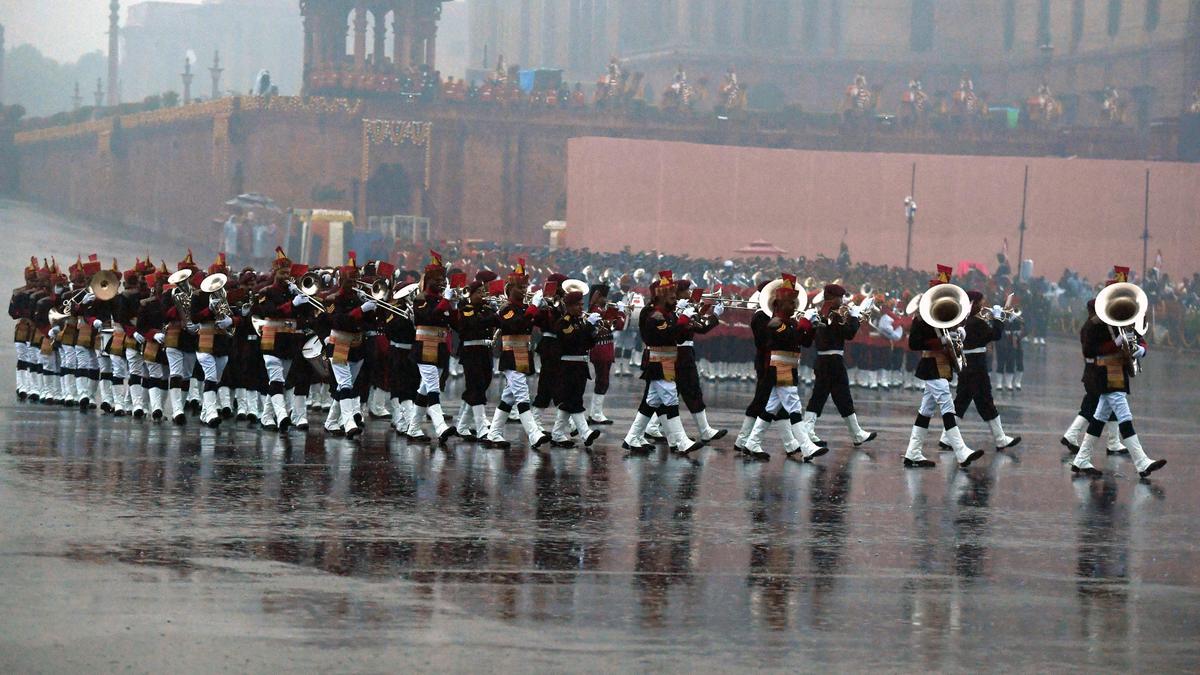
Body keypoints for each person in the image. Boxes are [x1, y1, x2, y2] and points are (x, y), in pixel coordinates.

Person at [1071, 267, 1166, 479]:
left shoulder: (1124, 318)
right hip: (1104, 374)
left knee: (1099, 418)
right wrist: (1114, 343)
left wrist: (1140, 350)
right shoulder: (1095, 324)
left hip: (1118, 372)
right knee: (1124, 417)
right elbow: (1088, 350)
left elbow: (1139, 338)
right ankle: (1142, 462)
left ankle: (1081, 459)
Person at [902, 266, 983, 469]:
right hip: (930, 365)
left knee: (926, 410)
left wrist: (957, 335)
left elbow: (950, 332)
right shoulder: (921, 317)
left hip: (942, 365)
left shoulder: (944, 315)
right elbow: (913, 344)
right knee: (947, 405)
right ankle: (961, 451)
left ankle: (912, 453)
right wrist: (940, 342)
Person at [741, 275, 827, 462]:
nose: (795, 306)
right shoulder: (775, 322)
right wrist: (803, 323)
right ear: (778, 304)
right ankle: (806, 446)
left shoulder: (790, 321)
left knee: (770, 408)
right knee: (794, 407)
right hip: (780, 368)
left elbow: (804, 341)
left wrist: (811, 327)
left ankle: (752, 442)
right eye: (791, 303)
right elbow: (790, 337)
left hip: (788, 366)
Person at [622, 271, 703, 455]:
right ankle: (681, 441)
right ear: (660, 296)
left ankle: (632, 437)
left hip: (667, 360)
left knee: (651, 402)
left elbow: (678, 336)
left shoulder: (668, 313)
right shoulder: (655, 314)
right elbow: (666, 334)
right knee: (671, 399)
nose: (675, 298)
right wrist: (682, 319)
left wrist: (688, 321)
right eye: (671, 295)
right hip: (659, 361)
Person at [938, 290, 1021, 451]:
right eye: (981, 303)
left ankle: (946, 437)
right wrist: (997, 317)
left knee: (961, 402)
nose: (984, 306)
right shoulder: (975, 322)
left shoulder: (963, 321)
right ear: (973, 304)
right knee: (985, 400)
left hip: (967, 364)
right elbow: (995, 335)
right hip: (976, 366)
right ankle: (1000, 438)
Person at [485, 259, 549, 449]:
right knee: (522, 395)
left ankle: (494, 433)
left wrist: (546, 308)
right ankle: (534, 433)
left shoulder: (523, 307)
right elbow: (517, 324)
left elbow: (540, 324)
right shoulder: (507, 309)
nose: (524, 290)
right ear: (510, 289)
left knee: (509, 398)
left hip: (523, 355)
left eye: (525, 287)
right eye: (520, 287)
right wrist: (533, 308)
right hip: (511, 356)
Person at [802, 283, 876, 447]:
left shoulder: (822, 313)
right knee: (839, 398)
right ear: (833, 298)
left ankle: (809, 431)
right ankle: (855, 434)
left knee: (825, 397)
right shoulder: (832, 315)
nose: (842, 301)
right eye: (840, 297)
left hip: (825, 361)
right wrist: (854, 317)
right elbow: (848, 334)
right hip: (832, 362)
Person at [1061, 300, 1127, 456]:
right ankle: (1075, 437)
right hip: (1095, 373)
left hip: (1097, 372)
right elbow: (1091, 351)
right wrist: (1115, 343)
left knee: (1102, 406)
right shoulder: (1091, 326)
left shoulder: (1093, 325)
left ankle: (1112, 442)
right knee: (1093, 407)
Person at [404, 250, 457, 443]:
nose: (441, 282)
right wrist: (445, 302)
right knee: (433, 387)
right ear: (428, 280)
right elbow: (429, 316)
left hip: (440, 349)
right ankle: (440, 427)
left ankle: (413, 428)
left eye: (443, 279)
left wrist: (455, 306)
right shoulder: (420, 299)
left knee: (424, 389)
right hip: (424, 349)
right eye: (438, 279)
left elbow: (455, 324)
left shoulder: (442, 299)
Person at [552, 289, 602, 448]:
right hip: (568, 366)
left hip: (579, 365)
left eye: (582, 305)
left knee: (568, 402)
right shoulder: (563, 323)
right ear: (570, 306)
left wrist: (593, 331)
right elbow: (571, 340)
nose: (581, 308)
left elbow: (587, 343)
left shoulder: (579, 321)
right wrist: (588, 326)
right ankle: (585, 433)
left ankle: (557, 434)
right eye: (578, 305)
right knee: (575, 400)